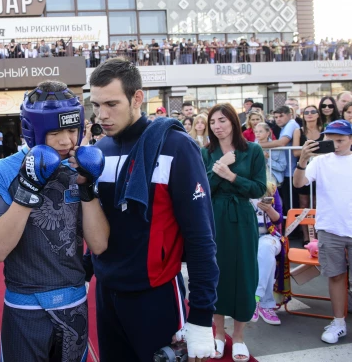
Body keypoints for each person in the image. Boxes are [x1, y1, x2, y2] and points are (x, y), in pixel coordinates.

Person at [88, 58, 219, 361]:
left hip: (156, 296)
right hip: (107, 295)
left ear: (137, 98)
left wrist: (201, 315)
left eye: (111, 103)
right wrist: (85, 269)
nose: (102, 115)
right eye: (96, 105)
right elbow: (101, 223)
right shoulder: (99, 151)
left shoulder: (177, 147)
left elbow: (201, 237)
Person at [0, 81, 110, 362]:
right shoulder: (2, 170)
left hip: (74, 302)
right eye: (55, 132)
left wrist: (88, 187)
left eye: (71, 130)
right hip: (24, 306)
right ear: (34, 130)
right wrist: (27, 189)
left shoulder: (80, 167)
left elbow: (99, 245)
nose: (66, 141)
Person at [201, 103, 266, 361]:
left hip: (242, 217)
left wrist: (231, 175)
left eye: (222, 121)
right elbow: (202, 186)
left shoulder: (253, 151)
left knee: (244, 274)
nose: (217, 126)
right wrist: (219, 167)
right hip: (214, 217)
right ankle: (218, 333)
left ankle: (238, 336)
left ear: (233, 123)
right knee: (217, 273)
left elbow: (259, 188)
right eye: (213, 122)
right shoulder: (206, 152)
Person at [293, 119, 352, 344]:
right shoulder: (320, 161)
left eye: (340, 140)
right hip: (330, 227)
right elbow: (299, 184)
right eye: (330, 139)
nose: (335, 144)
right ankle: (338, 322)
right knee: (335, 275)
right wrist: (303, 160)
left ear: (350, 139)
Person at [250, 182, 285, 326]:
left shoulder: (270, 187)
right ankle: (266, 304)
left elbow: (279, 218)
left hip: (270, 236)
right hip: (245, 237)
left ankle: (255, 298)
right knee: (266, 256)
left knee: (265, 247)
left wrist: (269, 209)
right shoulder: (237, 186)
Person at [291, 104, 323, 244]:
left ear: (317, 114)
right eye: (306, 112)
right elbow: (296, 152)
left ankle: (317, 234)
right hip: (303, 169)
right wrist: (314, 152)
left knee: (317, 203)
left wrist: (310, 152)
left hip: (320, 170)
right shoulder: (299, 131)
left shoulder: (324, 131)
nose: (309, 114)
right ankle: (306, 236)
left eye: (313, 111)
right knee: (304, 204)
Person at [259, 106, 300, 215]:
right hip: (285, 172)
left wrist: (258, 145)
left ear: (289, 115)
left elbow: (282, 142)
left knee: (290, 205)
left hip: (290, 172)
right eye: (276, 117)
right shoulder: (284, 127)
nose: (278, 119)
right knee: (286, 205)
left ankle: (292, 232)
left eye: (281, 116)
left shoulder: (291, 124)